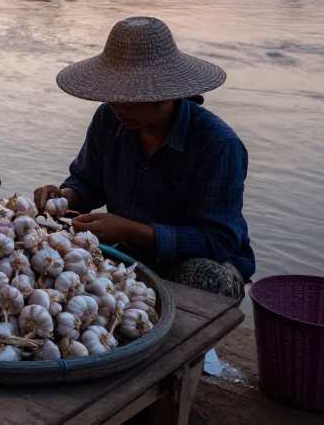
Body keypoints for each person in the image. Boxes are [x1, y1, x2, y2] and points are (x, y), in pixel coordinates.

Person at [34, 17, 255, 298]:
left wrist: (130, 230)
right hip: (130, 251)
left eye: (128, 99)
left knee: (207, 276)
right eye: (113, 96)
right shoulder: (109, 118)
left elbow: (217, 241)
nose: (117, 107)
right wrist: (64, 197)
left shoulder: (218, 145)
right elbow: (88, 181)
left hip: (200, 262)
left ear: (165, 96)